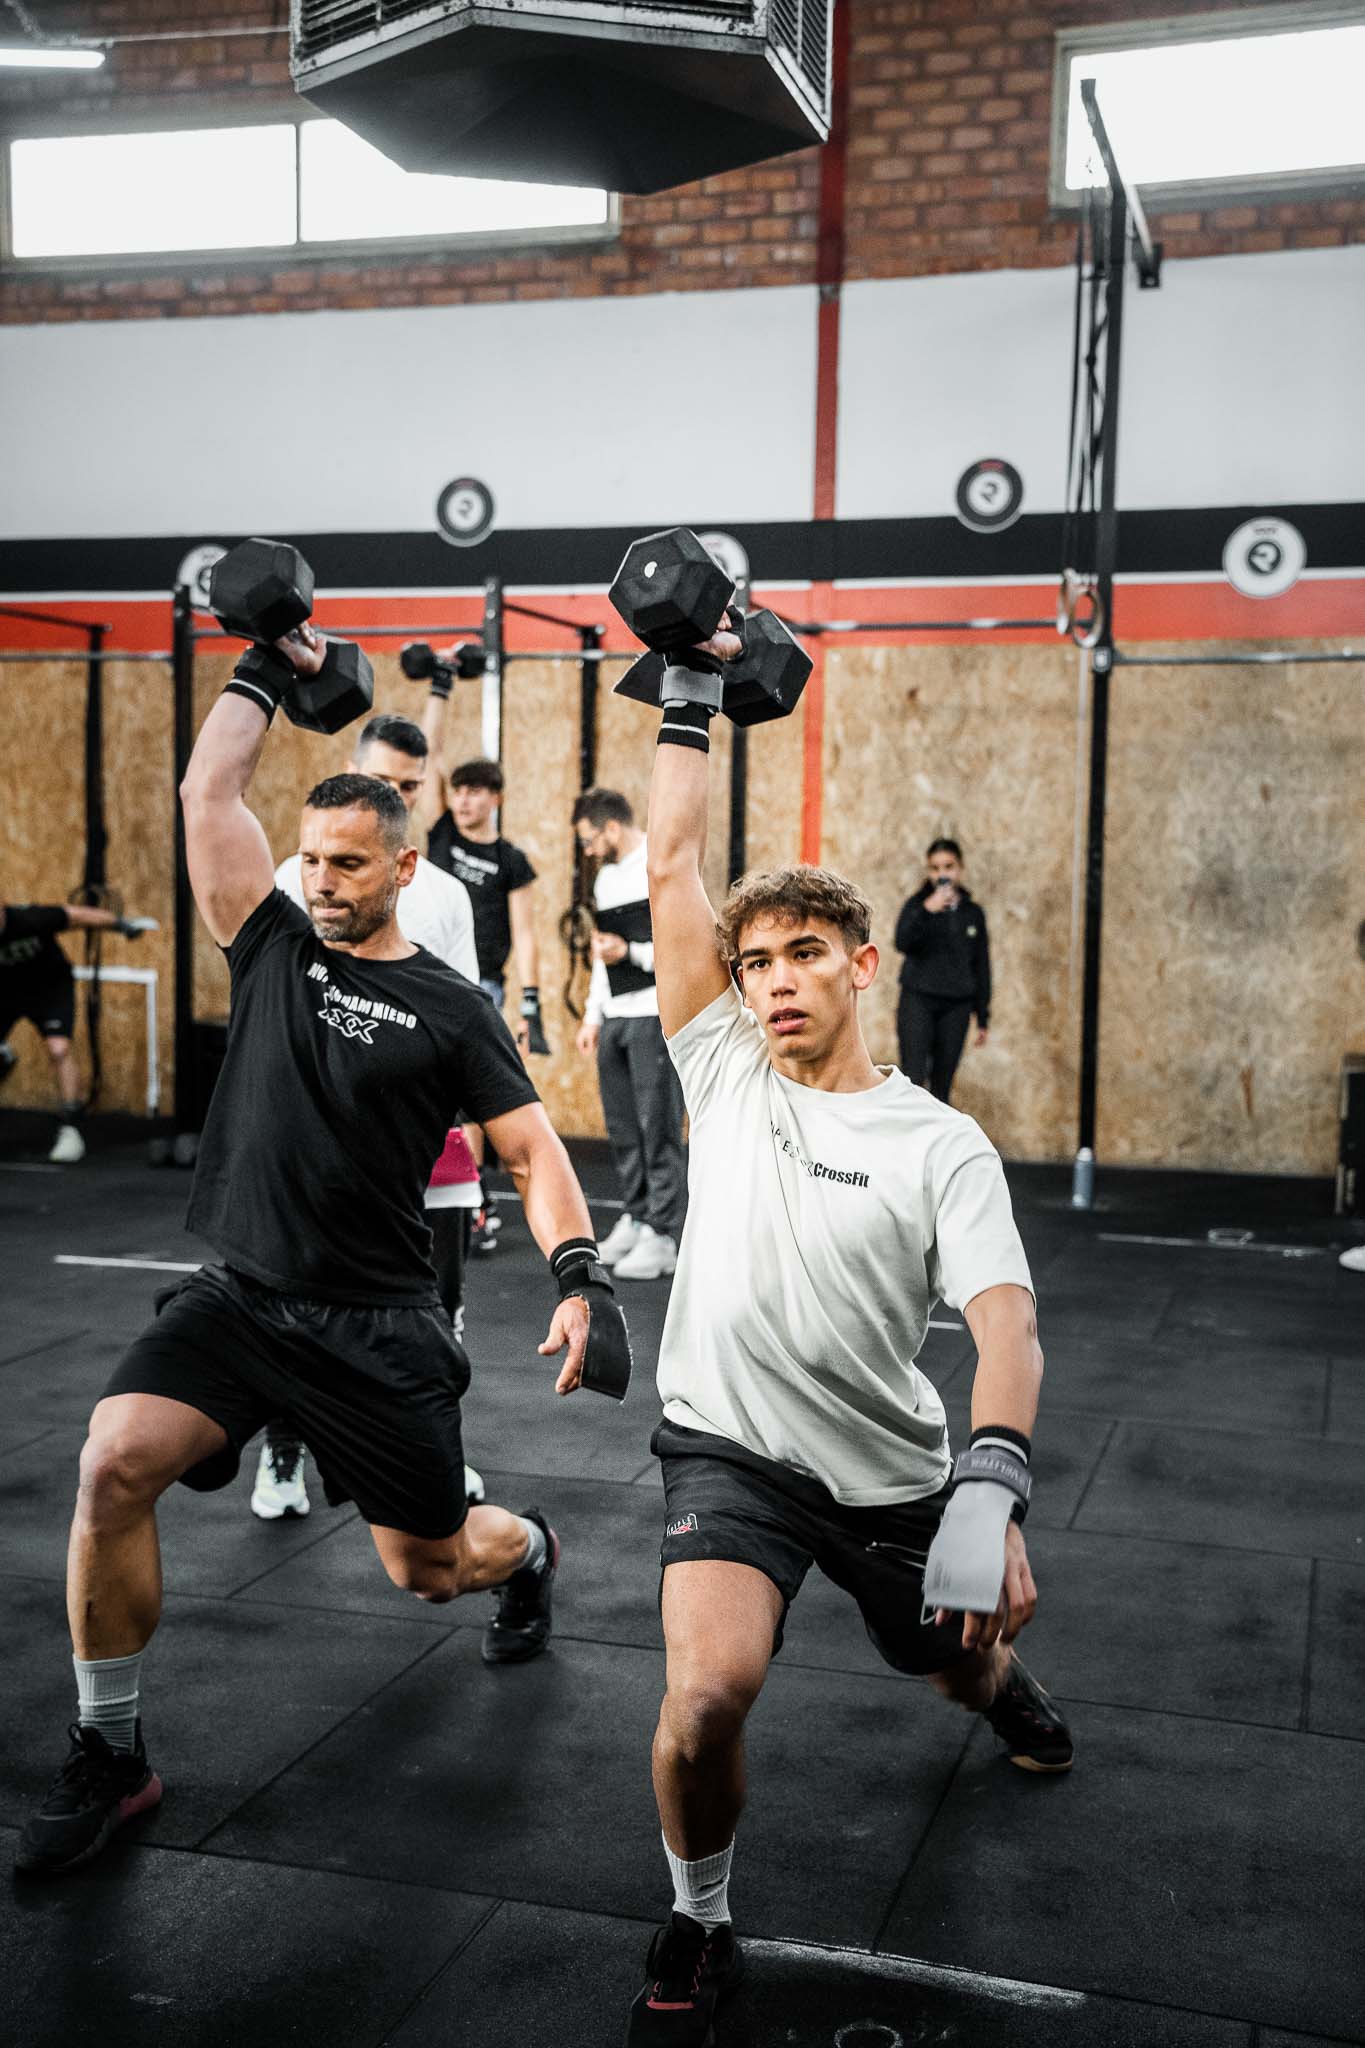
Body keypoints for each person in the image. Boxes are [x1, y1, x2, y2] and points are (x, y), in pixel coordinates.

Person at [15, 620, 630, 1879]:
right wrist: (263, 663)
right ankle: (112, 1750)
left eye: (348, 863)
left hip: (378, 1323)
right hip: (244, 1298)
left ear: (404, 866)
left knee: (430, 1567)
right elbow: (208, 792)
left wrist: (581, 1278)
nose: (322, 879)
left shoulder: (450, 1007)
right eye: (310, 859)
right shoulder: (272, 945)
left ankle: (534, 1550)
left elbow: (533, 1152)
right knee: (112, 1461)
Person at [624, 625, 1071, 2043]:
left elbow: (1006, 1325)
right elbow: (670, 867)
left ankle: (1005, 1693)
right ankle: (699, 1916)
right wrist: (688, 690)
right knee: (706, 1697)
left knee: (955, 1666)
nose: (773, 981)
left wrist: (990, 1486)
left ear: (864, 964)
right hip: (729, 1449)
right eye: (754, 961)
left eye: (804, 955)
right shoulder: (723, 1069)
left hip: (888, 1473)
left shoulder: (939, 1144)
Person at [257, 709, 483, 1523]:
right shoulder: (295, 879)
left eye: (409, 786)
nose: (397, 794)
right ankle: (284, 1452)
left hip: (424, 1138)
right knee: (291, 1302)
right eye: (382, 778)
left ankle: (436, 1454)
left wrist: (473, 1137)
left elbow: (467, 1022)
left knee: (437, 1306)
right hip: (317, 1138)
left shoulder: (445, 893)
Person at [426, 754, 546, 1250]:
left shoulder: (509, 860)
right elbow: (430, 751)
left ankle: (473, 1200)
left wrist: (531, 1005)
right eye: (457, 790)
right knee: (432, 1094)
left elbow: (526, 933)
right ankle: (452, 1197)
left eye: (474, 791)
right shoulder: (441, 835)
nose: (463, 800)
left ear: (495, 798)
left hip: (481, 988)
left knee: (470, 1098)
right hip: (428, 980)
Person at [572, 787, 685, 1283]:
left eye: (590, 840)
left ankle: (663, 1234)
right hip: (617, 1015)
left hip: (653, 1014)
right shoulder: (607, 879)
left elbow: (683, 946)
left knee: (657, 1126)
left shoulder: (660, 867)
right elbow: (603, 953)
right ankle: (637, 1216)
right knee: (623, 1127)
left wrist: (632, 953)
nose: (588, 851)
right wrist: (592, 1016)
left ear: (612, 828)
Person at [0, 899, 156, 1163]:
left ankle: (71, 1128)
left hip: (49, 988)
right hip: (5, 994)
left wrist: (121, 924)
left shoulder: (31, 918)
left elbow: (78, 915)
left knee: (59, 1049)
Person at [893, 838, 991, 1103]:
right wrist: (928, 910)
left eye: (948, 866)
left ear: (960, 869)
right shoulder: (917, 905)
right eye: (935, 868)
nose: (942, 874)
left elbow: (981, 964)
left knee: (942, 1084)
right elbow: (902, 941)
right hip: (918, 999)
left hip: (956, 1004)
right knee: (913, 1077)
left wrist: (982, 1015)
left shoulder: (972, 913)